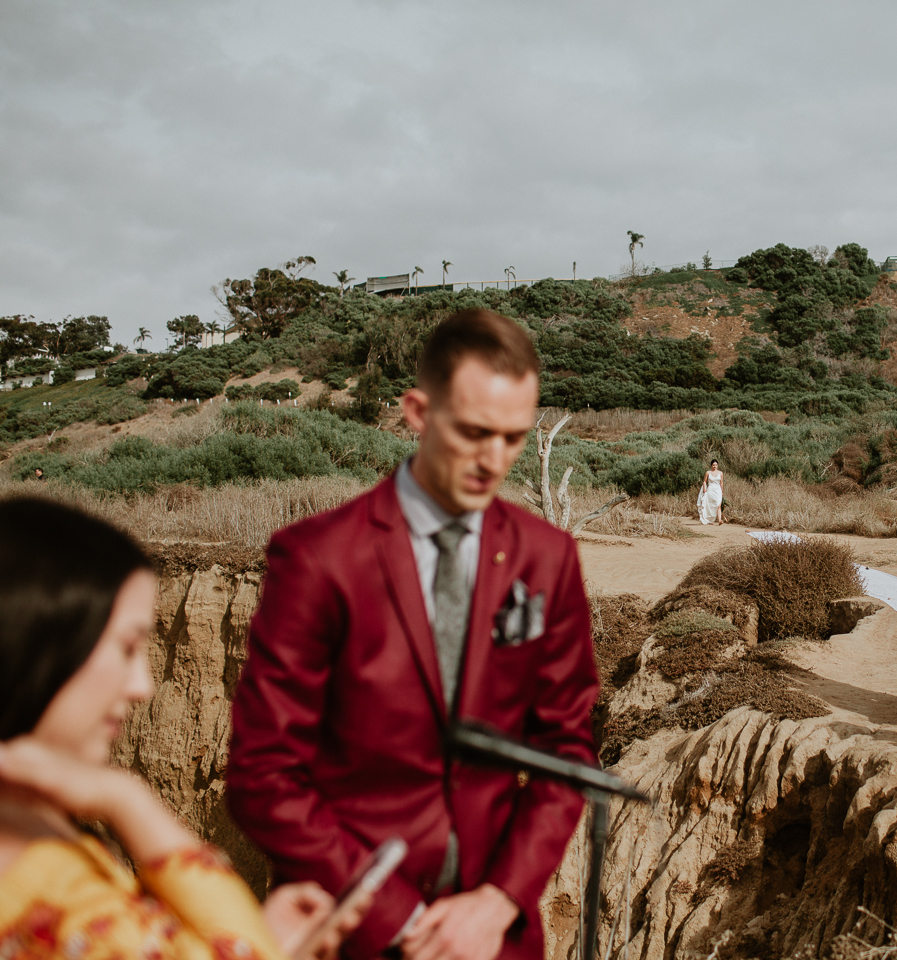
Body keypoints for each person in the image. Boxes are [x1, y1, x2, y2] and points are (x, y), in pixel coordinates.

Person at [227, 309, 600, 960]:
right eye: (475, 432)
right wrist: (402, 919)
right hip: (352, 933)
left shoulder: (550, 557)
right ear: (417, 413)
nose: (494, 461)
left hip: (496, 939)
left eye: (513, 438)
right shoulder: (318, 559)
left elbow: (566, 750)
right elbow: (264, 776)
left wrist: (499, 901)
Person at [0, 497, 364, 960]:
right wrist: (125, 799)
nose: (142, 686)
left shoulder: (32, 833)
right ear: (39, 647)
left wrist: (258, 937)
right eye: (127, 647)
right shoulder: (47, 889)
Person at [697, 459, 724, 525]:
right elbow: (704, 481)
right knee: (710, 505)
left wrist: (722, 491)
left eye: (716, 465)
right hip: (710, 490)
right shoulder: (708, 472)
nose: (715, 466)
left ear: (718, 465)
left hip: (718, 490)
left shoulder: (720, 473)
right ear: (711, 465)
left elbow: (721, 483)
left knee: (718, 504)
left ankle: (720, 520)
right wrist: (704, 489)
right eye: (713, 465)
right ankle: (709, 519)